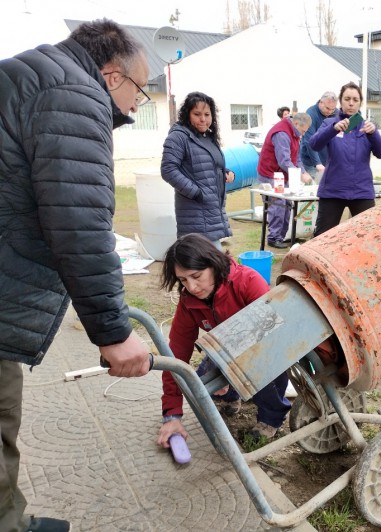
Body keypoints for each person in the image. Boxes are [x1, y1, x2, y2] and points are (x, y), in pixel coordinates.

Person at [0, 19, 153, 532]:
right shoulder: (73, 93)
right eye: (140, 89)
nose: (139, 104)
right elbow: (79, 220)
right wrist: (112, 331)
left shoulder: (31, 74)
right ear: (112, 77)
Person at [157, 233, 292, 446]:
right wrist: (172, 414)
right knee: (201, 381)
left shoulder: (248, 281)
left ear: (213, 264)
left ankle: (271, 417)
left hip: (262, 351)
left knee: (260, 376)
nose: (191, 287)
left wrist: (230, 371)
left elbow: (273, 340)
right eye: (183, 280)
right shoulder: (188, 301)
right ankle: (231, 397)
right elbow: (176, 356)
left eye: (197, 275)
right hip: (223, 349)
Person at [309, 81, 381, 237]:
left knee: (367, 237)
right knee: (323, 237)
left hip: (361, 191)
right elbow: (314, 145)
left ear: (360, 102)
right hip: (333, 190)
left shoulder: (367, 126)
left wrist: (374, 134)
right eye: (347, 99)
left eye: (355, 100)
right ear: (341, 101)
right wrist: (333, 130)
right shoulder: (330, 123)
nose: (351, 103)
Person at [161, 92, 235, 249]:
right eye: (197, 114)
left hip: (212, 209)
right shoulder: (179, 137)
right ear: (187, 114)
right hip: (194, 211)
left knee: (209, 263)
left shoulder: (207, 137)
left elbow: (212, 165)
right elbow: (168, 169)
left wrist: (226, 172)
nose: (203, 119)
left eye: (207, 114)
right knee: (212, 260)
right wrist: (196, 192)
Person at [256, 112, 313, 249]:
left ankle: (281, 237)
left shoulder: (295, 134)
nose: (303, 134)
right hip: (270, 174)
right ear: (296, 124)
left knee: (288, 203)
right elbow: (284, 161)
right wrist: (300, 175)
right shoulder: (282, 133)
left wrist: (304, 172)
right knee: (278, 204)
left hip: (283, 174)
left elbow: (296, 158)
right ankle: (273, 237)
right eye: (302, 131)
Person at [300, 91, 338, 183]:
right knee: (311, 191)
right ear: (320, 102)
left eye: (333, 109)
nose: (330, 111)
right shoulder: (310, 114)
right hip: (311, 163)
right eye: (327, 108)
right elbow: (309, 141)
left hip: (328, 162)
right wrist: (317, 163)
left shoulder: (337, 113)